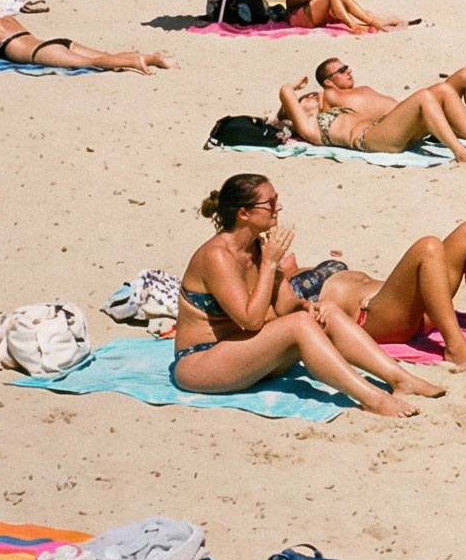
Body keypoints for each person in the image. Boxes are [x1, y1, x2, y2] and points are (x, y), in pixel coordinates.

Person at [173, 174, 436, 418]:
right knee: (299, 326)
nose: (279, 207)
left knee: (327, 310)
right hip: (201, 362)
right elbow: (251, 321)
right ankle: (371, 398)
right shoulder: (217, 256)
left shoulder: (257, 246)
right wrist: (270, 264)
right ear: (243, 213)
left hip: (245, 354)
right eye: (270, 202)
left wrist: (307, 306)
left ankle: (400, 379)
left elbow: (286, 306)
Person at [287, 220, 466, 369]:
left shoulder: (290, 265)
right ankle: (455, 347)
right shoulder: (271, 278)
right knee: (428, 247)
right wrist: (272, 265)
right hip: (375, 319)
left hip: (411, 306)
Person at [276, 57, 466, 162]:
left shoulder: (328, 111)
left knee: (442, 90)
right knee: (424, 96)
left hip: (381, 129)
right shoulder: (309, 126)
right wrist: (296, 89)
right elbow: (286, 92)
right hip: (368, 138)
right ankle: (462, 153)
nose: (308, 98)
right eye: (303, 100)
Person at [0, 2, 178, 72]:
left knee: (93, 63)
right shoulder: (9, 19)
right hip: (54, 42)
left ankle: (135, 61)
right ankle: (154, 58)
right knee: (105, 55)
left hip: (40, 53)